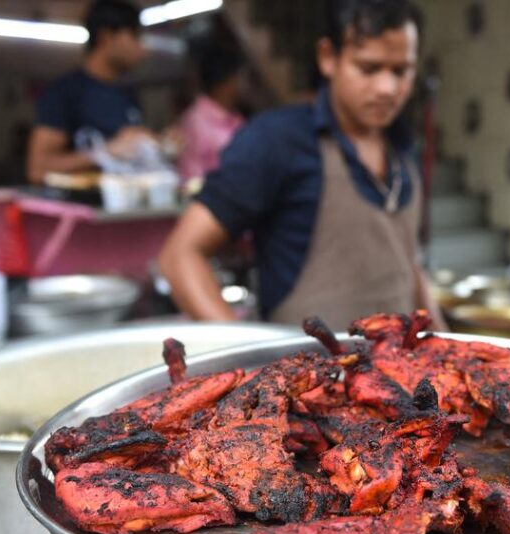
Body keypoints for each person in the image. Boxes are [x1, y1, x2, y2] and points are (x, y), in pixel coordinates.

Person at [158, 0, 442, 330]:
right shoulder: (277, 141)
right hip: (311, 377)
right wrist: (251, 359)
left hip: (403, 375)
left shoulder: (403, 151)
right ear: (328, 57)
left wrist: (447, 343)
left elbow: (409, 264)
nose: (387, 89)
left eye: (401, 71)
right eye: (369, 68)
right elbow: (180, 256)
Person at [26, 0, 151, 185]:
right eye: (134, 37)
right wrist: (106, 152)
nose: (142, 50)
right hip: (81, 210)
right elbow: (38, 169)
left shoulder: (128, 96)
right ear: (106, 37)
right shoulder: (65, 93)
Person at [176, 44, 247, 186]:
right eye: (242, 76)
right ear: (229, 80)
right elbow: (191, 178)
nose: (246, 83)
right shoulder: (195, 121)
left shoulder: (235, 118)